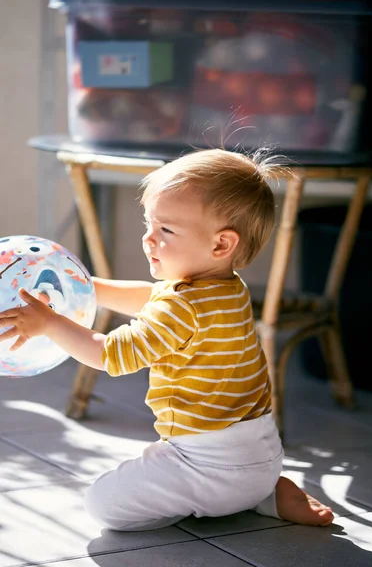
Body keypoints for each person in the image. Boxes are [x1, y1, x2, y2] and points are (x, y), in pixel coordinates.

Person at [0, 148, 334, 531]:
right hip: (262, 453)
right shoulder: (226, 287)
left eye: (166, 230)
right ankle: (263, 492)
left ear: (221, 244)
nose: (148, 239)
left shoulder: (182, 306)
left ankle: (219, 499)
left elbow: (111, 354)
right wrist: (83, 287)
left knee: (101, 504)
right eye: (149, 224)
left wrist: (49, 324)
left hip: (208, 465)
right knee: (207, 475)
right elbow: (151, 298)